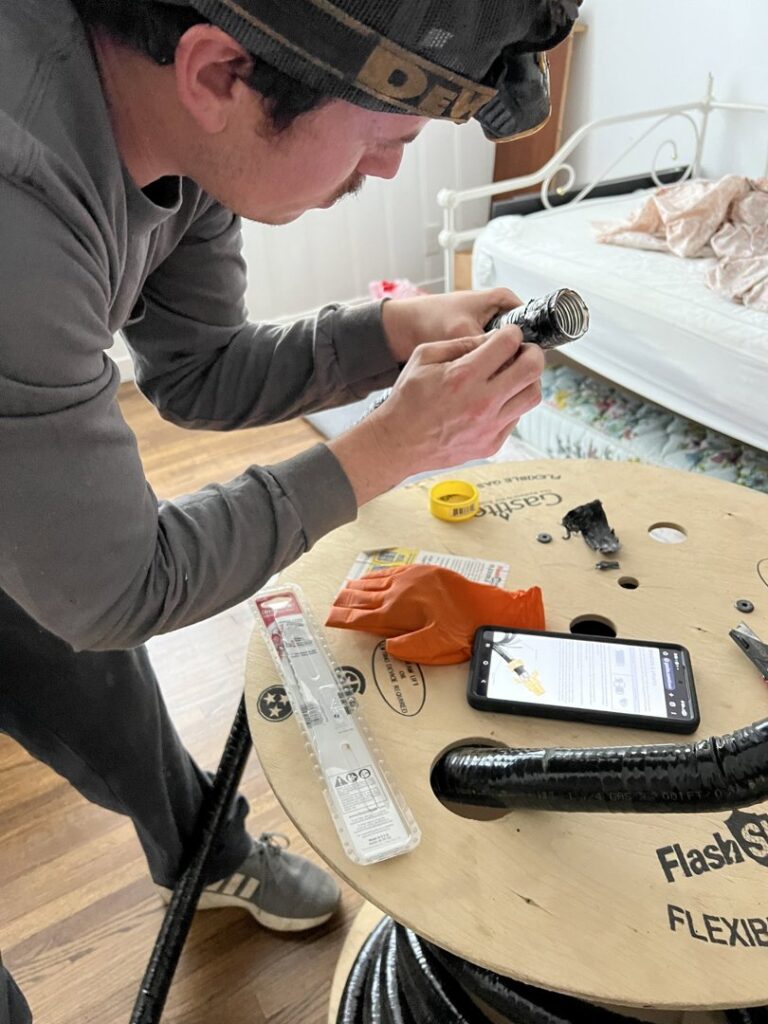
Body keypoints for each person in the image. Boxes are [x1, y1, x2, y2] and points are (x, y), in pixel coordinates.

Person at [0, 0, 580, 1018]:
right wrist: (390, 447)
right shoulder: (19, 210)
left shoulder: (186, 115)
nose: (393, 169)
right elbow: (119, 583)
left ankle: (202, 851)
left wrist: (396, 329)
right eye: (388, 138)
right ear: (221, 74)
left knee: (97, 687)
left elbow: (199, 371)